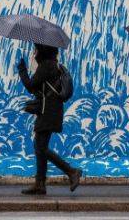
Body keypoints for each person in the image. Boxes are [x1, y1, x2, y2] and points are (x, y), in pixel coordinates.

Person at [18, 43, 82, 195]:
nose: (35, 52)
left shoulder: (46, 66)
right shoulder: (53, 65)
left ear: (43, 51)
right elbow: (38, 87)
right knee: (40, 146)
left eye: (37, 49)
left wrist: (22, 70)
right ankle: (40, 184)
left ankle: (72, 171)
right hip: (51, 109)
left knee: (41, 147)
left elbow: (30, 85)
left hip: (48, 111)